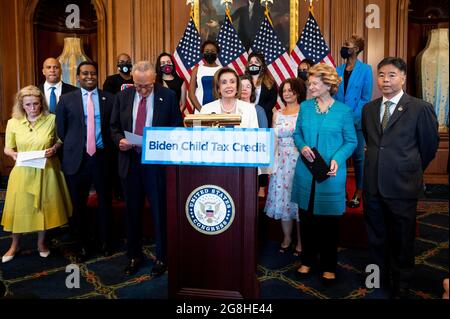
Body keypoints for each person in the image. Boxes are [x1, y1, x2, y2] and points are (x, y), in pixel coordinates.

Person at [362, 57, 439, 298]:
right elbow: (373, 143)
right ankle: (376, 276)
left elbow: (428, 147)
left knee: (402, 239)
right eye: (382, 75)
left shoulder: (420, 108)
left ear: (403, 77)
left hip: (402, 186)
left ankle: (401, 283)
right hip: (373, 184)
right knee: (375, 235)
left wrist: (409, 168)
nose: (385, 80)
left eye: (392, 75)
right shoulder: (369, 109)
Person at [110, 61, 183, 276]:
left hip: (156, 164)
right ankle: (134, 255)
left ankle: (162, 257)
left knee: (160, 212)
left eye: (147, 86)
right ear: (133, 80)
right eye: (138, 85)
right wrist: (120, 140)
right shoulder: (122, 96)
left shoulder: (168, 97)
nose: (142, 90)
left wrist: (159, 139)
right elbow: (113, 126)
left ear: (155, 80)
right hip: (130, 162)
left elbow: (176, 128)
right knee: (132, 212)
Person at [292, 64, 357, 284]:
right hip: (305, 173)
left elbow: (351, 141)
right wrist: (301, 146)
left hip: (330, 175)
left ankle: (329, 265)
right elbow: (297, 133)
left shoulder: (344, 111)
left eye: (314, 83)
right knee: (307, 220)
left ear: (328, 84)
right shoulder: (305, 107)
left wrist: (337, 159)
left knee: (329, 225)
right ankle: (307, 260)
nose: (310, 87)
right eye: (309, 83)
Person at [1, 85, 72, 263]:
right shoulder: (13, 122)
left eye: (36, 104)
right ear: (21, 105)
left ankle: (41, 243)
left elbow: (60, 140)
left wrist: (54, 148)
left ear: (41, 103)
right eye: (28, 105)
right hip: (22, 170)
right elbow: (7, 148)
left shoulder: (51, 119)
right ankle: (14, 245)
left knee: (43, 207)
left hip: (46, 170)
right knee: (19, 209)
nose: (32, 108)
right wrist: (14, 154)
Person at [56, 61, 115, 261]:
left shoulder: (110, 98)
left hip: (101, 157)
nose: (89, 76)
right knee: (78, 205)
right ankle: (82, 245)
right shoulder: (66, 99)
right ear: (78, 76)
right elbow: (61, 130)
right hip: (77, 159)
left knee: (105, 203)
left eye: (93, 73)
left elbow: (113, 127)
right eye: (85, 73)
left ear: (97, 75)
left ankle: (105, 241)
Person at [264, 78, 306, 257]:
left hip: (299, 161)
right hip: (280, 162)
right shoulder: (277, 113)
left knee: (298, 203)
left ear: (298, 92)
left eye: (291, 90)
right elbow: (273, 139)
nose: (287, 93)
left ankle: (301, 241)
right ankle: (287, 238)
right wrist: (270, 165)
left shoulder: (305, 111)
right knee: (283, 201)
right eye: (285, 90)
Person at [335, 35, 373, 209]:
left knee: (359, 157)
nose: (344, 47)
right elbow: (334, 95)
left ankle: (359, 191)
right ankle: (342, 192)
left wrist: (351, 117)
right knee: (339, 158)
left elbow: (365, 98)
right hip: (338, 121)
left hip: (356, 121)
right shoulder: (338, 69)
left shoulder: (366, 70)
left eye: (347, 45)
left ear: (356, 49)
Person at [245, 52, 277, 127]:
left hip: (264, 116)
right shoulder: (242, 80)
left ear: (262, 65)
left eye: (256, 62)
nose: (253, 64)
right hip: (245, 116)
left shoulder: (270, 82)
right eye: (251, 62)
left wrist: (258, 112)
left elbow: (272, 101)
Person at [189, 40, 221, 113]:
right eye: (207, 51)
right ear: (203, 53)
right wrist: (201, 110)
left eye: (213, 51)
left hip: (219, 110)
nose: (210, 53)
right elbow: (191, 93)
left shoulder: (222, 70)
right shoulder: (197, 69)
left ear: (217, 54)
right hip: (199, 109)